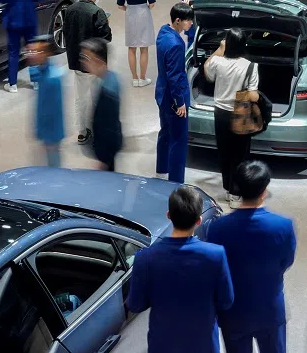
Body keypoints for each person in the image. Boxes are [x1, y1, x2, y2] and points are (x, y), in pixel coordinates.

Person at [126, 185, 234, 353]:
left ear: (168, 215)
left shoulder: (145, 258)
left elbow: (135, 305)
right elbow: (226, 301)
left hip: (163, 345)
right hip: (203, 345)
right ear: (198, 220)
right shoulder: (216, 255)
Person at [205, 161, 297, 353]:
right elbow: (286, 261)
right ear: (264, 190)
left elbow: (215, 268)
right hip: (269, 309)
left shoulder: (217, 228)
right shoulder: (283, 226)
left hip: (233, 312)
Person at [204, 28, 259, 206]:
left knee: (224, 152)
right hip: (240, 113)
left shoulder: (218, 62)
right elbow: (253, 95)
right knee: (240, 154)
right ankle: (236, 194)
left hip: (220, 113)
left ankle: (227, 187)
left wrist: (220, 49)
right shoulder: (250, 66)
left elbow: (206, 71)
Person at [65, 0, 113, 145]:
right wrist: (107, 23)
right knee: (96, 97)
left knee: (80, 97)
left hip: (77, 61)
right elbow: (106, 37)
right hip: (94, 63)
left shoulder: (70, 9)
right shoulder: (97, 12)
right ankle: (98, 127)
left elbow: (66, 35)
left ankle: (82, 131)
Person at [154, 2, 194, 183]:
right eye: (188, 21)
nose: (191, 24)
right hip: (174, 98)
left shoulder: (163, 32)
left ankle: (161, 171)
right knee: (178, 140)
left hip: (162, 94)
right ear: (178, 20)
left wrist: (184, 6)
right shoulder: (177, 44)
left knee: (165, 133)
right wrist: (180, 103)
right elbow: (175, 76)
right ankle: (176, 181)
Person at [0, 0, 40, 92]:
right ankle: (35, 82)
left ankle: (13, 84)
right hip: (29, 18)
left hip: (12, 20)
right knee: (32, 50)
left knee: (13, 52)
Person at [80, 38, 123, 171]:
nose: (83, 61)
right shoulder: (107, 79)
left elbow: (109, 128)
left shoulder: (108, 90)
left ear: (98, 60)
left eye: (86, 58)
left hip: (106, 153)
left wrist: (104, 159)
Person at [117, 0, 156, 87]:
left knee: (131, 47)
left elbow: (120, 5)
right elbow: (152, 4)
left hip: (130, 14)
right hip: (143, 13)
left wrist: (128, 9)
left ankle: (134, 78)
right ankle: (143, 78)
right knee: (144, 48)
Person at [26, 35, 65, 166]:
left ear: (44, 53)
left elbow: (53, 111)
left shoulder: (52, 78)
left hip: (51, 134)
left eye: (34, 51)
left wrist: (50, 137)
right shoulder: (41, 71)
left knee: (53, 165)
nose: (30, 54)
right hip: (45, 132)